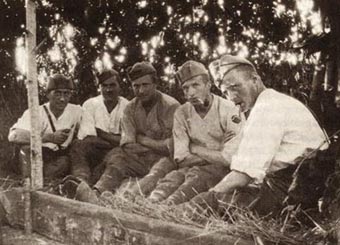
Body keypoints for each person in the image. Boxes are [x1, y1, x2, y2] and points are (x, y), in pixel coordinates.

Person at [183, 54, 330, 217]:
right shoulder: (273, 101)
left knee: (218, 210)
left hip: (298, 189)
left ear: (255, 79)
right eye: (225, 93)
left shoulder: (267, 107)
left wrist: (208, 197)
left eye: (235, 87)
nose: (232, 97)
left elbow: (244, 174)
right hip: (301, 184)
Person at [75, 62, 180, 202]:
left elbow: (172, 148)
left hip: (164, 160)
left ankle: (129, 199)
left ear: (155, 84)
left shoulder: (171, 106)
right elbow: (128, 144)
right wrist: (157, 145)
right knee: (118, 156)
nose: (141, 90)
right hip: (139, 159)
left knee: (162, 166)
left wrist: (142, 139)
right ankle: (96, 192)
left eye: (145, 85)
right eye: (136, 86)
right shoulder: (130, 108)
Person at [147, 60, 244, 205]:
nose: (191, 93)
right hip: (189, 168)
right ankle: (149, 204)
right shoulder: (182, 112)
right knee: (173, 178)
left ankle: (167, 208)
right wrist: (216, 151)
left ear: (208, 85)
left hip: (220, 172)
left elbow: (228, 159)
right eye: (185, 88)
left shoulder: (230, 110)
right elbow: (181, 159)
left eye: (196, 85)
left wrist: (194, 148)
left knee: (196, 178)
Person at [8, 74, 83, 178]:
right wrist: (49, 137)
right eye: (57, 93)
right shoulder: (36, 112)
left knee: (65, 161)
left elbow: (88, 132)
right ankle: (29, 181)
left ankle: (43, 181)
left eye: (66, 94)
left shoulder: (76, 111)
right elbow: (14, 135)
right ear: (48, 94)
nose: (62, 99)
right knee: (26, 148)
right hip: (36, 153)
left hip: (56, 157)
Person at [69, 69, 129, 185]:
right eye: (104, 86)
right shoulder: (90, 104)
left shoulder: (127, 106)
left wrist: (101, 134)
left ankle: (98, 185)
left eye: (112, 85)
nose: (108, 90)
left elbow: (127, 141)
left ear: (120, 87)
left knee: (118, 155)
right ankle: (80, 181)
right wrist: (115, 138)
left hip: (117, 152)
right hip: (94, 151)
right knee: (77, 145)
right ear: (99, 88)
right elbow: (88, 138)